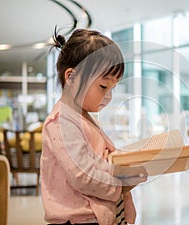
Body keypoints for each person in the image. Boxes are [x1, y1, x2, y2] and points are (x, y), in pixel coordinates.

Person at [40, 28, 147, 225]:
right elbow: (82, 175)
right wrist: (121, 185)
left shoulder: (80, 117)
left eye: (113, 88)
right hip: (81, 219)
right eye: (103, 86)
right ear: (71, 77)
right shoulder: (62, 122)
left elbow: (98, 159)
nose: (109, 96)